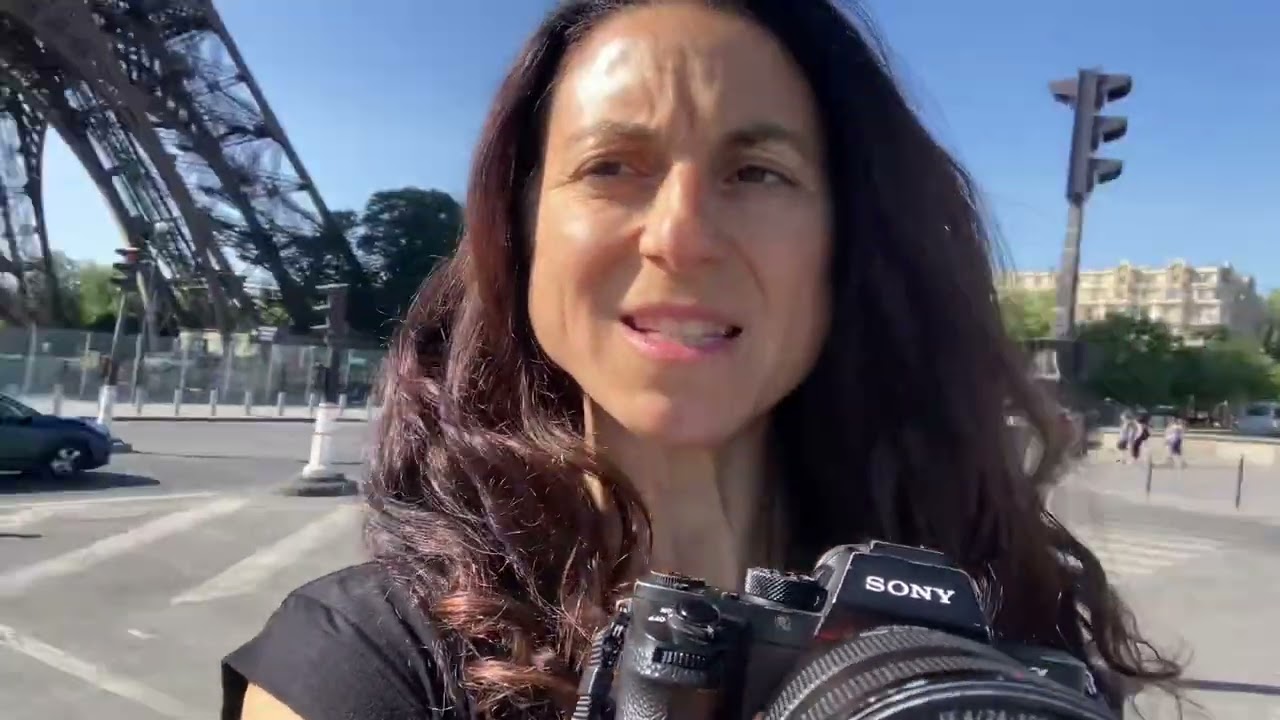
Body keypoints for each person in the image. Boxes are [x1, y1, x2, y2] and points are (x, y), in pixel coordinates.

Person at [221, 2, 1182, 718]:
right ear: (521, 237)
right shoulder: (359, 672)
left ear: (846, 246)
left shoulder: (996, 641)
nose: (680, 238)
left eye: (757, 173)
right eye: (611, 167)